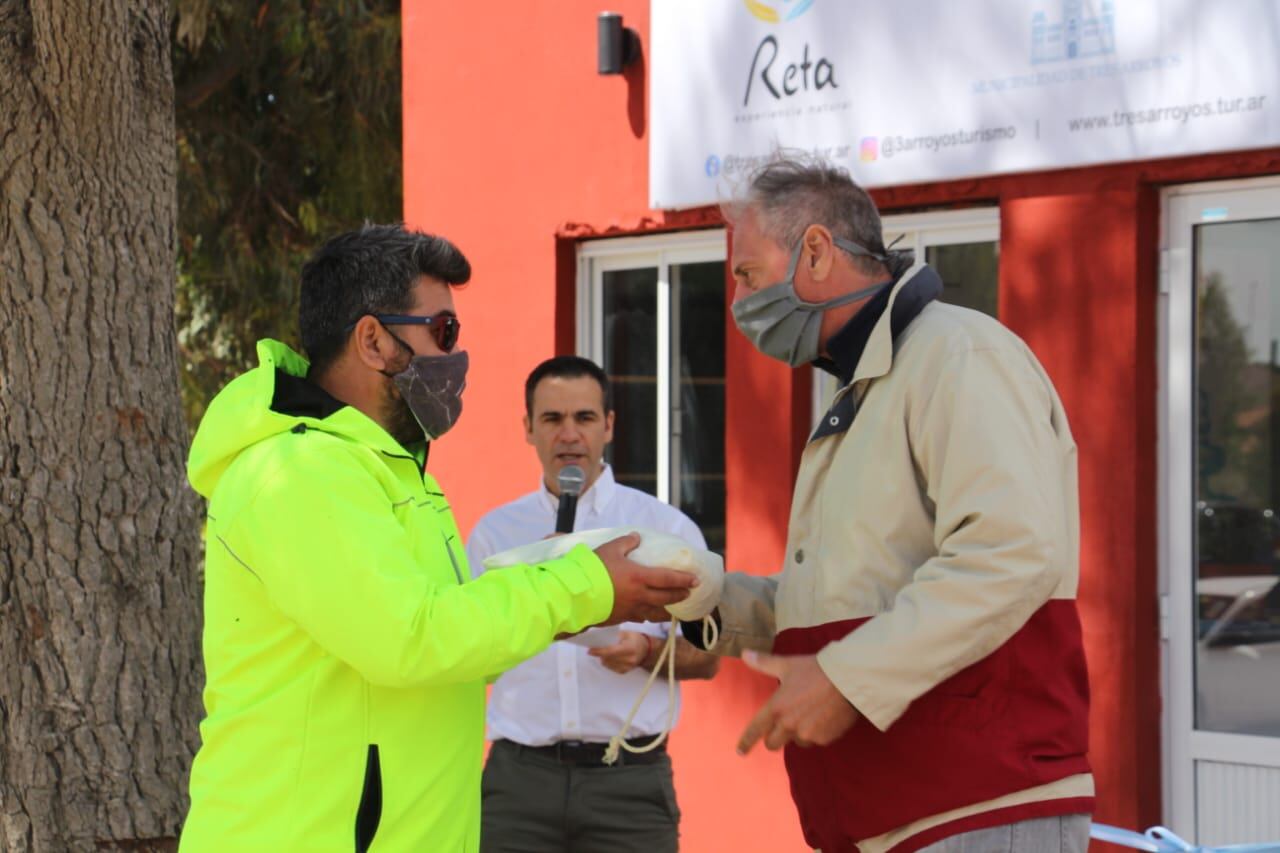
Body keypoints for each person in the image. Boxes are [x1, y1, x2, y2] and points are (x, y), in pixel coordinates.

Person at [178, 224, 697, 852]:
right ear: (373, 340)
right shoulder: (300, 474)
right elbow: (410, 638)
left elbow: (450, 637)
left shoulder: (392, 472)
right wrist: (584, 585)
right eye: (443, 332)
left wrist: (565, 607)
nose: (457, 356)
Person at [697, 157, 1093, 853]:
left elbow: (1013, 552)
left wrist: (848, 680)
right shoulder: (872, 381)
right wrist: (696, 601)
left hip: (973, 807)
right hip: (893, 810)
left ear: (815, 251)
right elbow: (847, 597)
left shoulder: (957, 354)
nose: (739, 299)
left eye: (747, 273)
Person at [466, 355, 720, 853]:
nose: (568, 434)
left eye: (583, 418)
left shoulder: (664, 528)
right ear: (528, 428)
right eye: (552, 419)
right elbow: (474, 650)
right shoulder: (496, 535)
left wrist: (644, 654)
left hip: (626, 783)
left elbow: (709, 658)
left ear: (608, 426)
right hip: (519, 783)